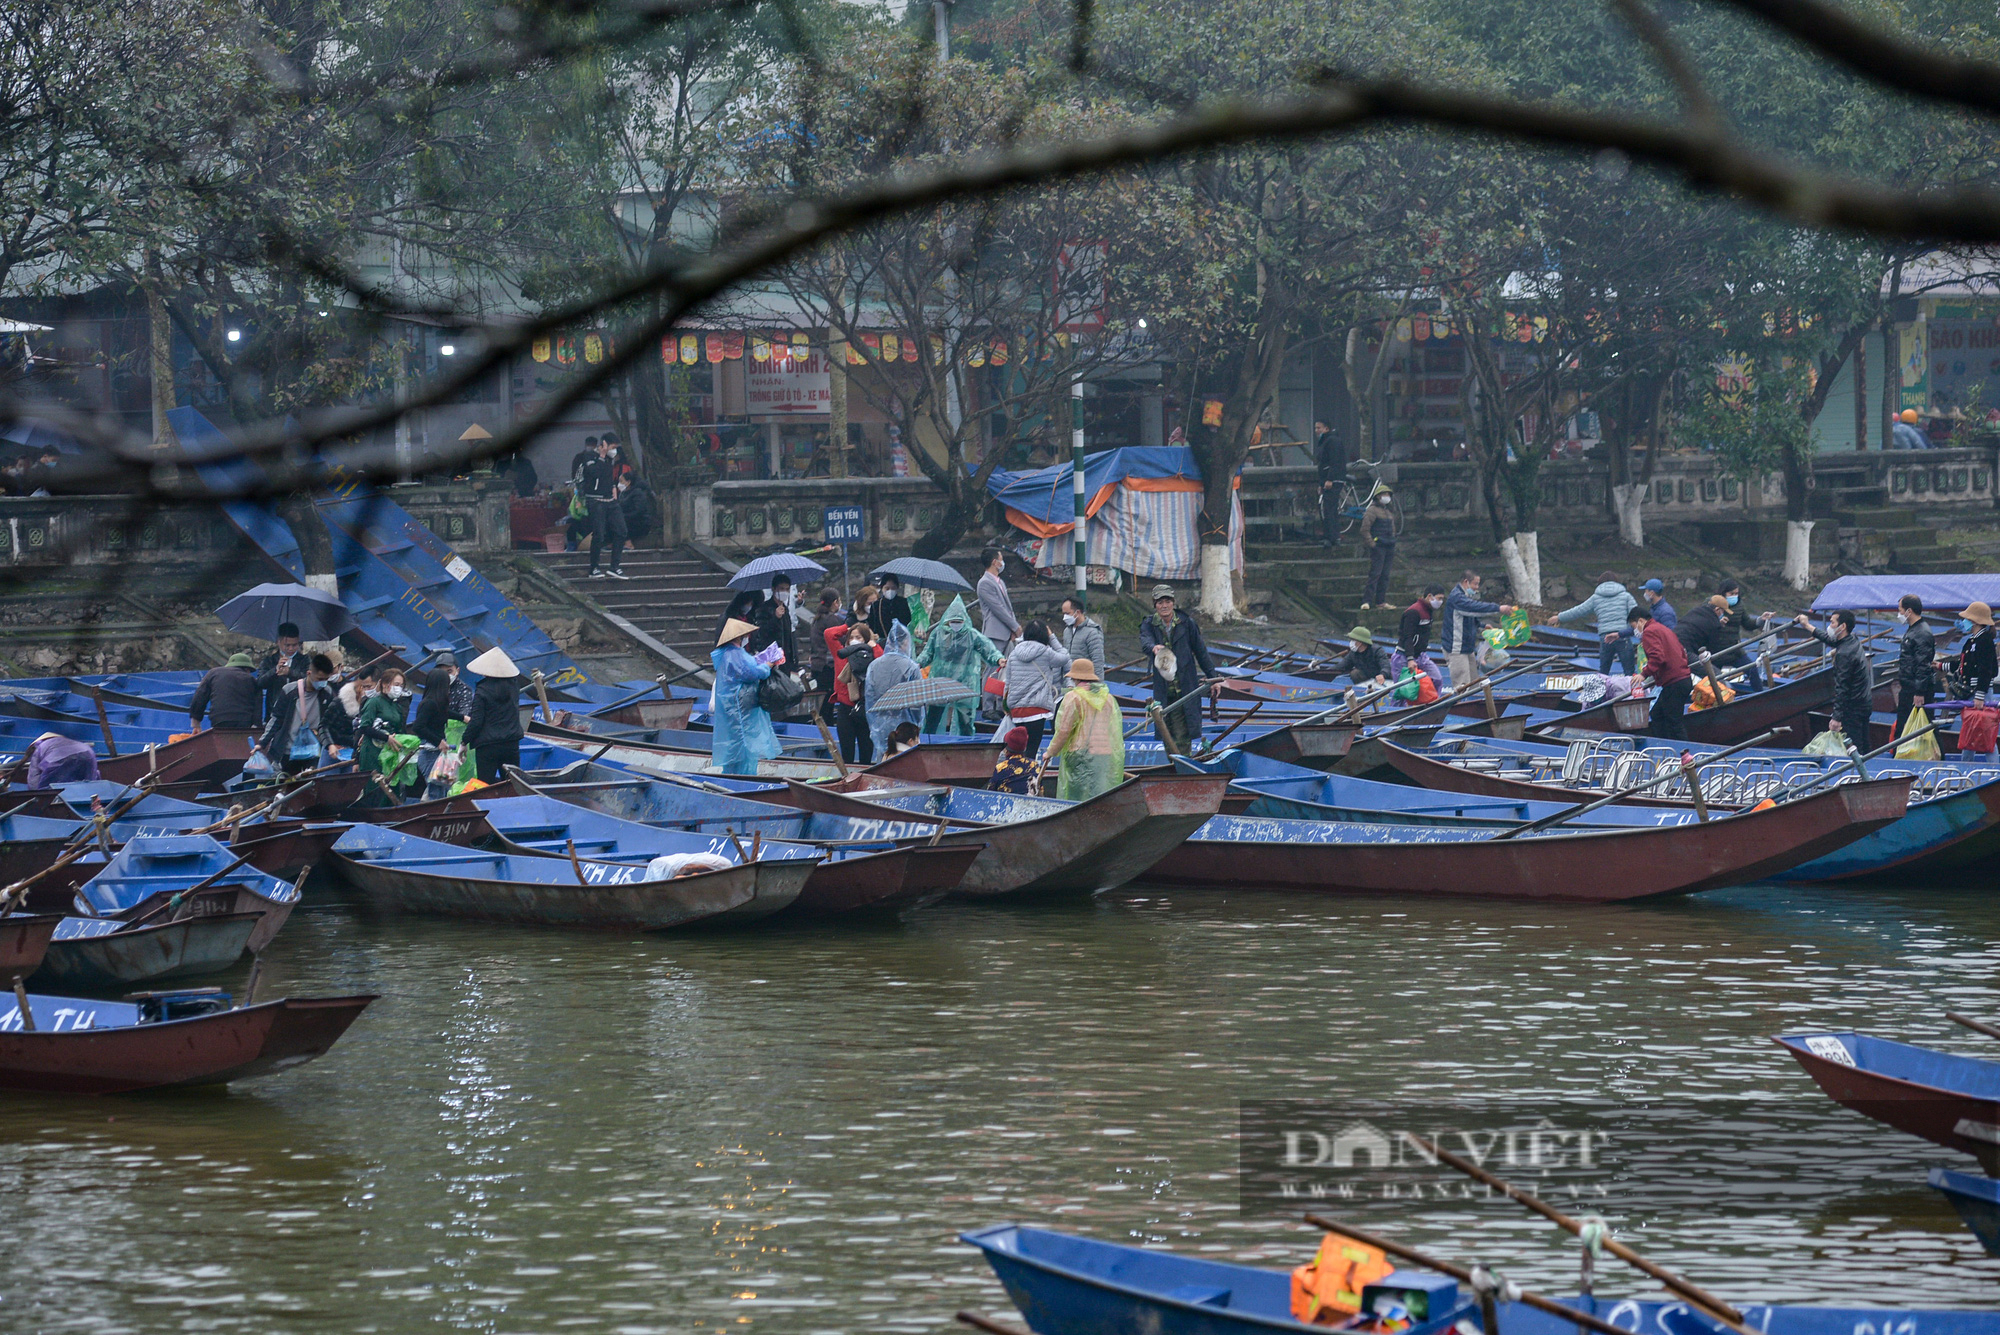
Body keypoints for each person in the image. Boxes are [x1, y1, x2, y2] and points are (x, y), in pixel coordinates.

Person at [1138, 584, 1217, 752]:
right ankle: (1175, 765)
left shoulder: (1187, 623)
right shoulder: (1149, 624)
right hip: (1164, 689)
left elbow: (1201, 652)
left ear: (1173, 603)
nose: (1164, 606)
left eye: (1167, 601)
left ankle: (1183, 765)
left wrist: (1213, 676)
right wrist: (1154, 648)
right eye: (1160, 602)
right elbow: (1145, 641)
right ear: (1155, 605)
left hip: (1185, 687)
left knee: (1183, 734)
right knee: (1166, 732)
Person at [915, 595, 1000, 735]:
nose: (956, 624)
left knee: (965, 720)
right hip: (941, 681)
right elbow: (927, 653)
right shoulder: (938, 634)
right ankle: (929, 743)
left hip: (964, 682)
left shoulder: (972, 635)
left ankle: (964, 745)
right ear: (947, 621)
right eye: (953, 621)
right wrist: (918, 662)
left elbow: (988, 649)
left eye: (959, 621)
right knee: (933, 718)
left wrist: (998, 659)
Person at [1045, 657, 1125, 802]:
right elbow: (1113, 730)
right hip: (1103, 752)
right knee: (1099, 794)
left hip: (1079, 753)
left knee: (1078, 796)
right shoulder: (1108, 698)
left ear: (1075, 678)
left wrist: (1051, 752)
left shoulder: (1073, 697)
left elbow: (1064, 730)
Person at [710, 618, 782, 777]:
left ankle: (731, 777)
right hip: (740, 709)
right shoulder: (734, 654)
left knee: (734, 746)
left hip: (733, 706)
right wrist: (767, 666)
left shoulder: (727, 653)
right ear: (738, 637)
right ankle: (743, 778)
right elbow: (751, 673)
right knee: (744, 746)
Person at [1796, 609, 1874, 749]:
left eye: (1832, 623)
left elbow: (1842, 687)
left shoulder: (1844, 654)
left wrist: (1836, 718)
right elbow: (1830, 639)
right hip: (1865, 702)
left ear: (1842, 626)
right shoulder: (1852, 640)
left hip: (1853, 707)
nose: (1830, 626)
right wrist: (1807, 626)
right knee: (1864, 741)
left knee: (1855, 746)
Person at [1003, 621, 1074, 755]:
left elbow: (1008, 683)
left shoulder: (1013, 654)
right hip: (1037, 709)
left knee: (1018, 749)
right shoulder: (1046, 653)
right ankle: (1029, 774)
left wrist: (1006, 705)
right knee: (1032, 749)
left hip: (1017, 710)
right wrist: (1052, 638)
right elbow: (1065, 657)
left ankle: (1017, 773)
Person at [261, 653, 338, 773]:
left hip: (314, 751)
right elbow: (276, 719)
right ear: (309, 673)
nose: (323, 683)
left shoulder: (327, 692)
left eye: (326, 679)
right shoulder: (289, 691)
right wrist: (262, 743)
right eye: (320, 679)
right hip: (288, 752)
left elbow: (331, 721)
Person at [1549, 573, 1639, 675]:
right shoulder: (1626, 596)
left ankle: (1602, 690)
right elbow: (1637, 614)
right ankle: (1632, 690)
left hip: (1605, 637)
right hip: (1622, 636)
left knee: (1604, 673)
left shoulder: (1596, 598)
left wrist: (1559, 617)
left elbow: (1578, 611)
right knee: (1630, 672)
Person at [1440, 571, 1514, 689]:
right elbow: (1473, 608)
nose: (1477, 588)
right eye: (1475, 584)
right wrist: (1498, 608)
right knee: (1462, 687)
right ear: (1466, 582)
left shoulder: (1465, 595)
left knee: (1475, 684)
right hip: (1456, 649)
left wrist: (1482, 625)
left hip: (1467, 648)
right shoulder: (1457, 597)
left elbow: (1468, 617)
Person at [463, 647, 527, 783]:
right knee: (512, 784)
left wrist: (464, 741)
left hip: (488, 746)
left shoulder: (482, 691)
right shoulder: (514, 687)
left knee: (484, 786)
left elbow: (476, 722)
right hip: (511, 743)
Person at [1629, 606, 1692, 740]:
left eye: (1634, 626)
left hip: (1674, 681)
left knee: (1674, 723)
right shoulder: (1663, 629)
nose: (1635, 631)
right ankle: (1664, 744)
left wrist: (1643, 674)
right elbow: (1682, 651)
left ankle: (1683, 753)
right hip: (1682, 679)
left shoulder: (1649, 632)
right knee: (1658, 714)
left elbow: (1657, 657)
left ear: (1640, 621)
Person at [865, 621, 924, 759]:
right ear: (905, 644)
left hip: (880, 720)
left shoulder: (874, 665)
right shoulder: (911, 667)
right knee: (904, 760)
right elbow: (918, 701)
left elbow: (869, 696)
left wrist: (875, 720)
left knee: (882, 758)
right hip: (904, 723)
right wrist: (917, 724)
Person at [576, 436, 629, 579]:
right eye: (612, 447)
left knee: (621, 531)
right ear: (603, 445)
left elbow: (608, 476)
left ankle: (615, 567)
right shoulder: (590, 456)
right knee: (599, 534)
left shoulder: (610, 460)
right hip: (595, 501)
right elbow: (595, 473)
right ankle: (594, 568)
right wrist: (602, 456)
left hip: (610, 501)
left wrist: (613, 487)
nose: (614, 451)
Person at [829, 623, 880, 764]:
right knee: (847, 751)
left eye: (858, 637)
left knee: (866, 750)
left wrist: (872, 644)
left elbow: (881, 659)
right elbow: (829, 634)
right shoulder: (841, 653)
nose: (854, 640)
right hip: (845, 708)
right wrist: (849, 627)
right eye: (852, 637)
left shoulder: (870, 654)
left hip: (865, 708)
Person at [1893, 593, 1938, 735]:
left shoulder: (1922, 632)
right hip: (1908, 686)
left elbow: (1923, 664)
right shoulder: (1913, 630)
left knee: (1926, 726)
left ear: (1909, 611)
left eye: (1900, 610)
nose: (1899, 613)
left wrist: (1919, 691)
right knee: (1903, 727)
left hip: (1916, 689)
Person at [189, 651, 264, 732]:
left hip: (219, 719)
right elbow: (258, 706)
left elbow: (199, 697)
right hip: (244, 721)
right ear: (246, 669)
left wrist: (196, 723)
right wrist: (256, 726)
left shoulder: (213, 673)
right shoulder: (252, 680)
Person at [1713, 579, 1765, 692]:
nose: (1734, 596)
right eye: (1731, 594)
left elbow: (1747, 624)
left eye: (1736, 593)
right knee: (1714, 679)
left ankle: (1760, 695)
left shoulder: (1740, 605)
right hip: (1715, 651)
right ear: (1723, 593)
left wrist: (1761, 620)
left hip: (1734, 650)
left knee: (1752, 669)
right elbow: (1703, 623)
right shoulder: (1712, 603)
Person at [355, 668, 410, 775]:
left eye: (401, 686)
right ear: (385, 684)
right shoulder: (374, 702)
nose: (398, 688)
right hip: (372, 752)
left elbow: (400, 728)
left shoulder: (396, 706)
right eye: (396, 684)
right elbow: (364, 727)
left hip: (389, 753)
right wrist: (386, 737)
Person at [256, 622, 308, 719]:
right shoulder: (269, 661)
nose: (291, 648)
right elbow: (260, 682)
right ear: (278, 642)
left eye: (294, 645)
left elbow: (309, 679)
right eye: (287, 645)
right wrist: (275, 670)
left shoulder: (304, 660)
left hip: (297, 708)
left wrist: (290, 672)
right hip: (274, 709)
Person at [751, 575, 799, 672]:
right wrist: (775, 618)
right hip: (771, 659)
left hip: (786, 659)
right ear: (773, 589)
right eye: (781, 589)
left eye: (787, 589)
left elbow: (787, 634)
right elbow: (761, 632)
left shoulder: (785, 609)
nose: (784, 592)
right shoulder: (764, 608)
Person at [804, 588, 844, 700]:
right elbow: (840, 639)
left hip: (817, 665)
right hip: (827, 666)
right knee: (828, 702)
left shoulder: (817, 619)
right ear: (835, 602)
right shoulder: (831, 620)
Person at [1359, 490, 1396, 608]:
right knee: (1375, 574)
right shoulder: (1372, 510)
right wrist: (1372, 544)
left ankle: (1380, 601)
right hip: (1378, 546)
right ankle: (1367, 601)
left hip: (1389, 546)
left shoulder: (1388, 511)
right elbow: (1364, 529)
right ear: (1378, 496)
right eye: (1385, 494)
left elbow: (1393, 529)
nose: (1387, 497)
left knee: (1385, 575)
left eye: (1388, 495)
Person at [977, 547, 1020, 647]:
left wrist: (1013, 627)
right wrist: (1015, 627)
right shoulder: (984, 583)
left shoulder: (1000, 581)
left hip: (1007, 632)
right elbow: (998, 608)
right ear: (995, 562)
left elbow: (1008, 607)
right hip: (995, 633)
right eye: (1001, 559)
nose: (1002, 562)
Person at [23, 732, 98, 788]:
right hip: (88, 753)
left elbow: (33, 779)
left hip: (58, 758)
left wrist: (35, 796)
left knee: (48, 790)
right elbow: (94, 775)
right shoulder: (67, 741)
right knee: (89, 785)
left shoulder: (38, 749)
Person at [1326, 626, 1390, 691]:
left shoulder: (1377, 650)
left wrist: (1383, 674)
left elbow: (1386, 666)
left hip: (1380, 681)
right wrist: (1326, 671)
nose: (1351, 642)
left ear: (1360, 642)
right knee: (1355, 673)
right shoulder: (1353, 653)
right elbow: (1341, 666)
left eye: (1353, 640)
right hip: (1366, 682)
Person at [1314, 419, 1346, 547]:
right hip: (1328, 479)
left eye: (1319, 428)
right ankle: (1331, 535)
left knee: (1330, 509)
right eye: (1315, 428)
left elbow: (1334, 461)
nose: (1316, 431)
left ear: (1326, 429)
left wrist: (1330, 479)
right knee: (1328, 509)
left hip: (1332, 480)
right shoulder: (1327, 441)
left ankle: (1332, 536)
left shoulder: (1332, 441)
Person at [1958, 602, 1997, 701]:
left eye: (1967, 619)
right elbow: (1965, 664)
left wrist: (1980, 695)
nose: (1964, 621)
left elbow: (1986, 669)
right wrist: (1941, 666)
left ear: (1974, 621)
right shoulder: (1972, 640)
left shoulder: (1985, 640)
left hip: (1979, 693)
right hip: (1969, 691)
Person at [1059, 596, 1105, 676]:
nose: (1064, 617)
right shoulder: (1067, 631)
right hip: (1069, 681)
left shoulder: (1092, 632)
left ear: (1078, 612)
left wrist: (1097, 686)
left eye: (1067, 613)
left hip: (1085, 681)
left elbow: (1098, 662)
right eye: (1063, 614)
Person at [988, 726, 1038, 794]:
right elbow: (1039, 791)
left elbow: (990, 792)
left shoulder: (1000, 768)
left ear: (1006, 749)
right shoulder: (1034, 765)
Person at [867, 576, 912, 642]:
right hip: (882, 641)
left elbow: (908, 621)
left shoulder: (904, 602)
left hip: (902, 641)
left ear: (897, 588)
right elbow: (872, 624)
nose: (890, 590)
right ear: (882, 588)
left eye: (893, 588)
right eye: (887, 588)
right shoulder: (876, 605)